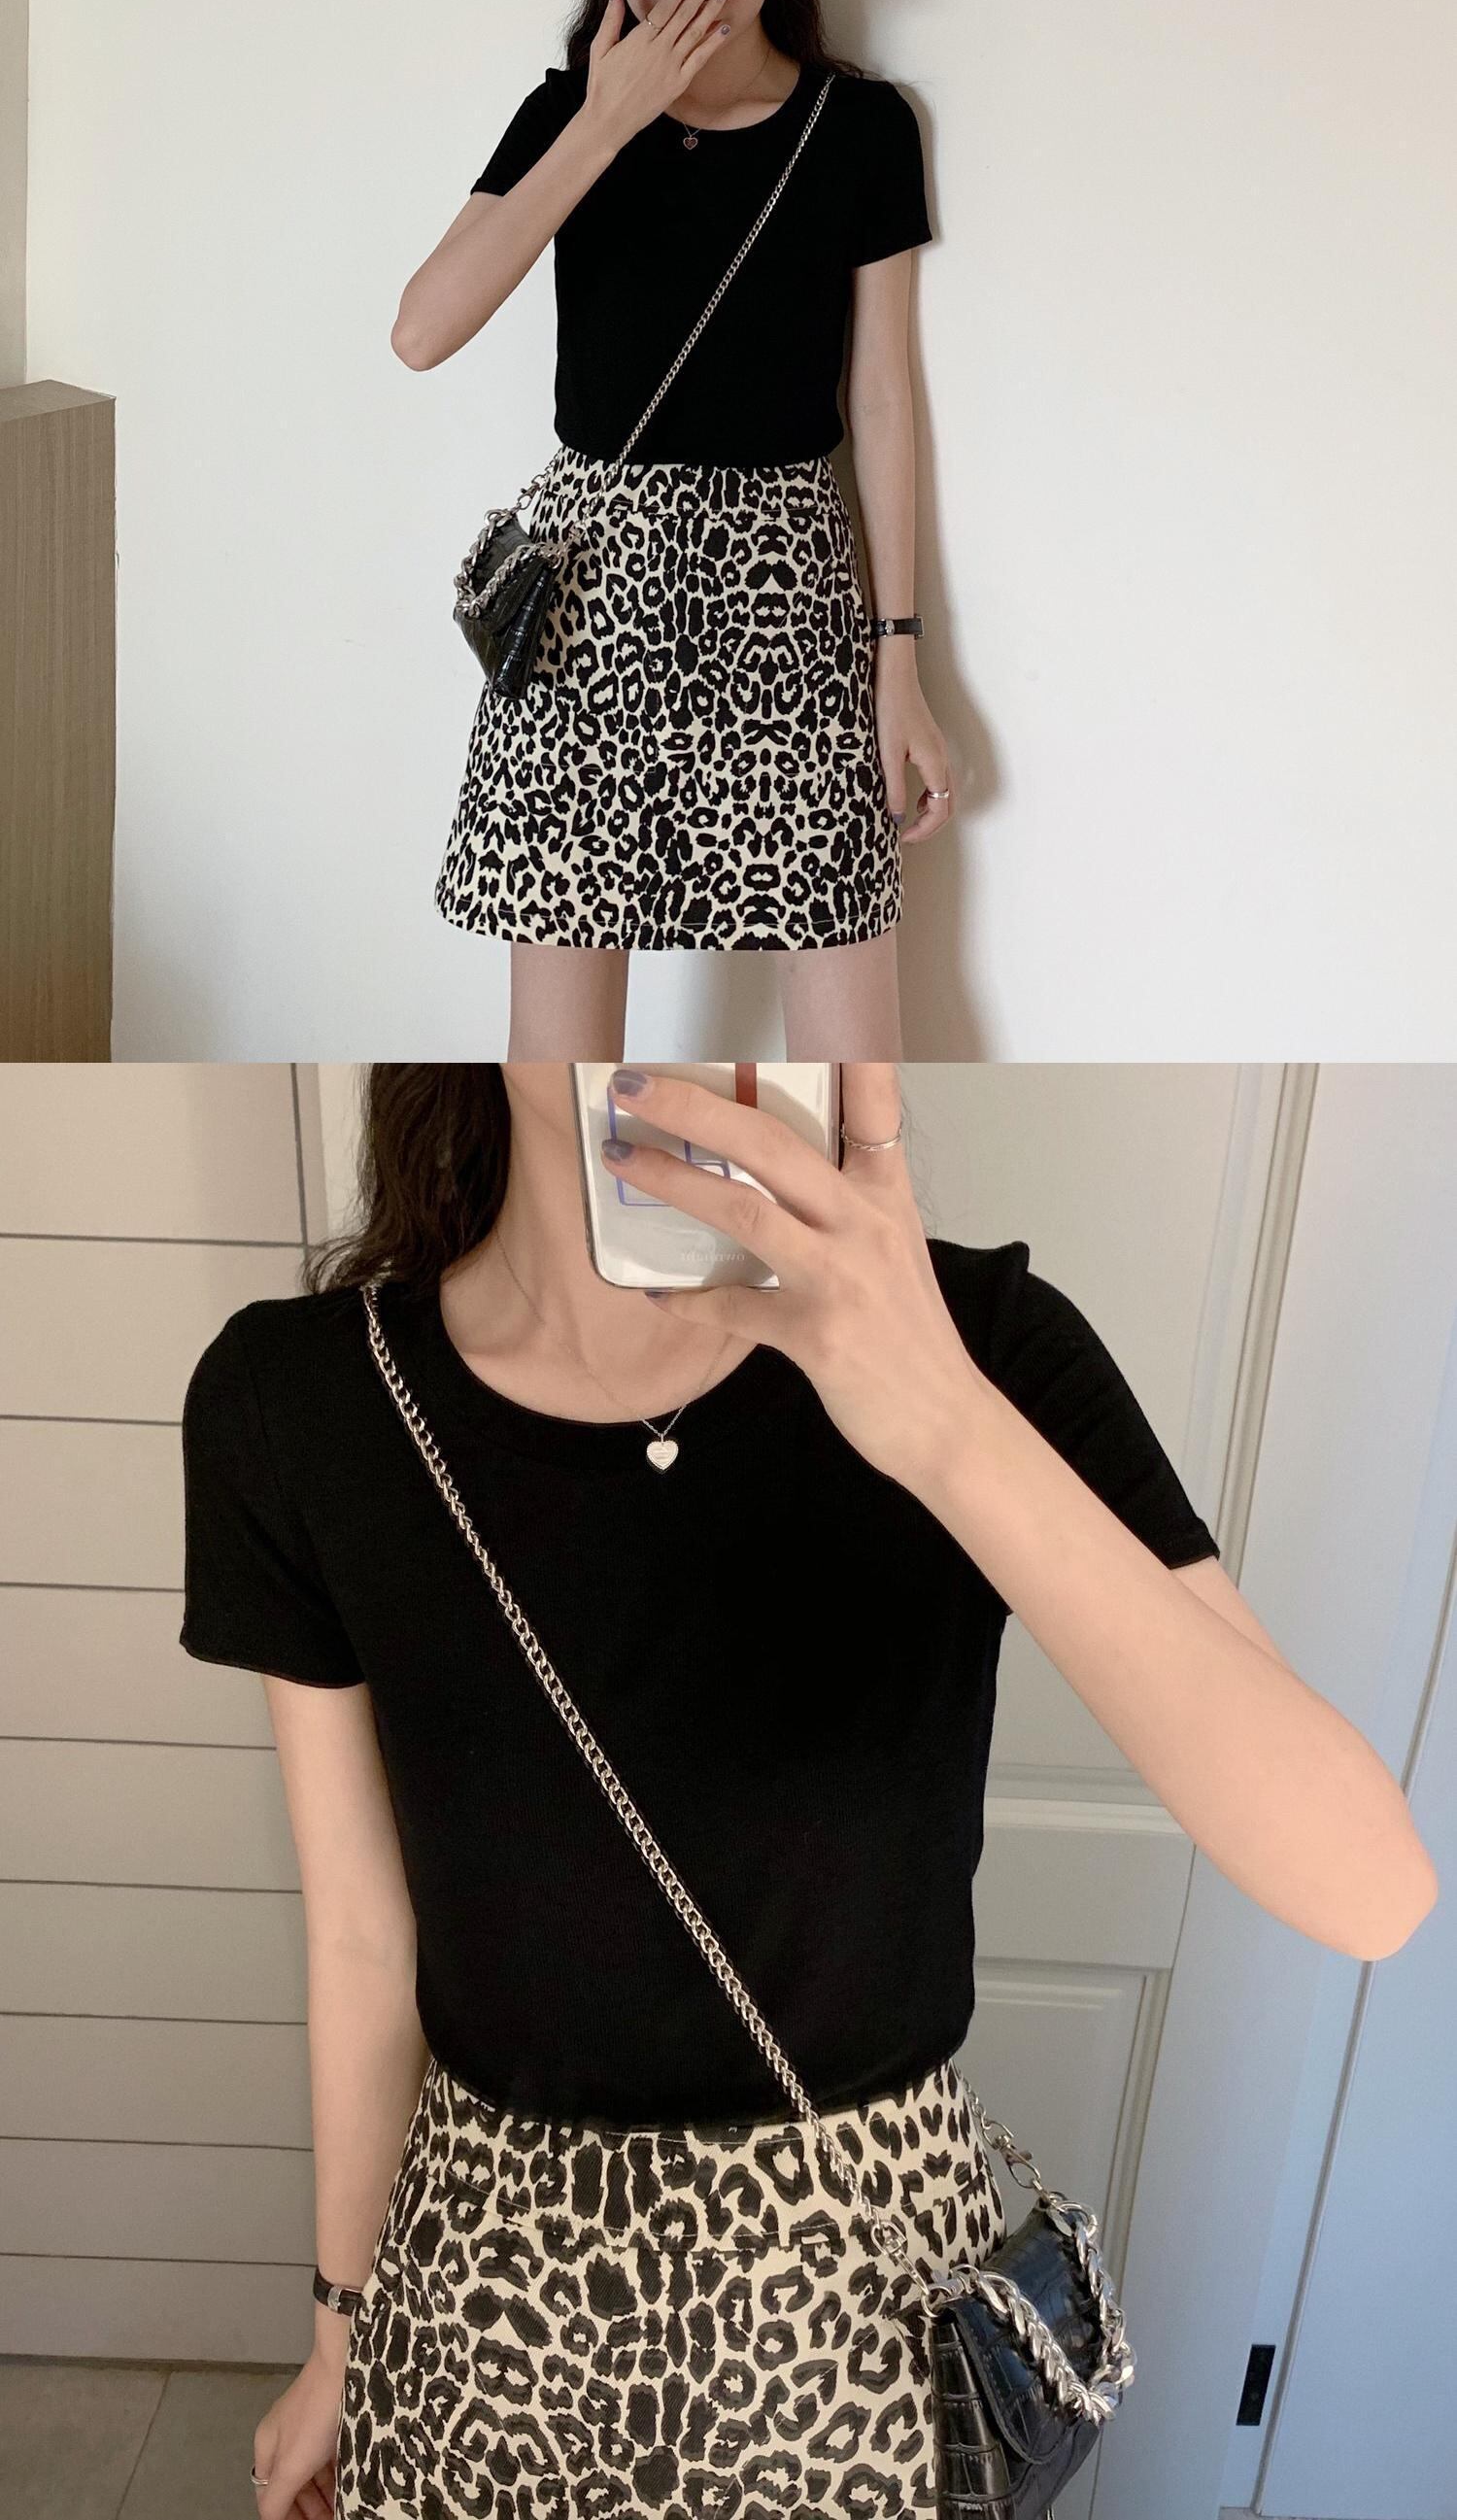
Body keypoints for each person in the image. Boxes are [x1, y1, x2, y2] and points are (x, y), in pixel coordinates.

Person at [178, 1064, 1438, 2520]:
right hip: (478, 2329)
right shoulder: (302, 1397)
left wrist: (943, 1422)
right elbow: (362, 1933)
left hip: (870, 2351)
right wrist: (340, 2329)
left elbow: (1370, 1887)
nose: (694, 986)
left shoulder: (979, 1346)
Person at [393, 0, 953, 1062]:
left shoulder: (859, 129)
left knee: (847, 1066)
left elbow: (882, 398)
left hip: (788, 587)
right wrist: (604, 125)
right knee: (559, 1075)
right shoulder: (566, 120)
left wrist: (901, 660)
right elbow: (421, 330)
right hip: (590, 593)